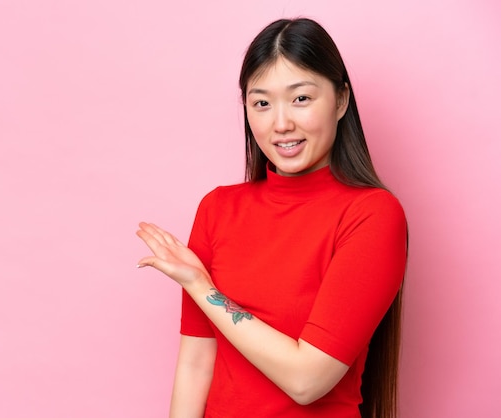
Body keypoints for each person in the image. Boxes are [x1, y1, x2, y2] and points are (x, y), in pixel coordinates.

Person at [136, 17, 407, 418]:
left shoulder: (372, 215)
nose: (281, 124)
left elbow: (307, 380)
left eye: (301, 99)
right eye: (261, 103)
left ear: (341, 100)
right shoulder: (217, 209)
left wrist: (202, 287)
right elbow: (195, 365)